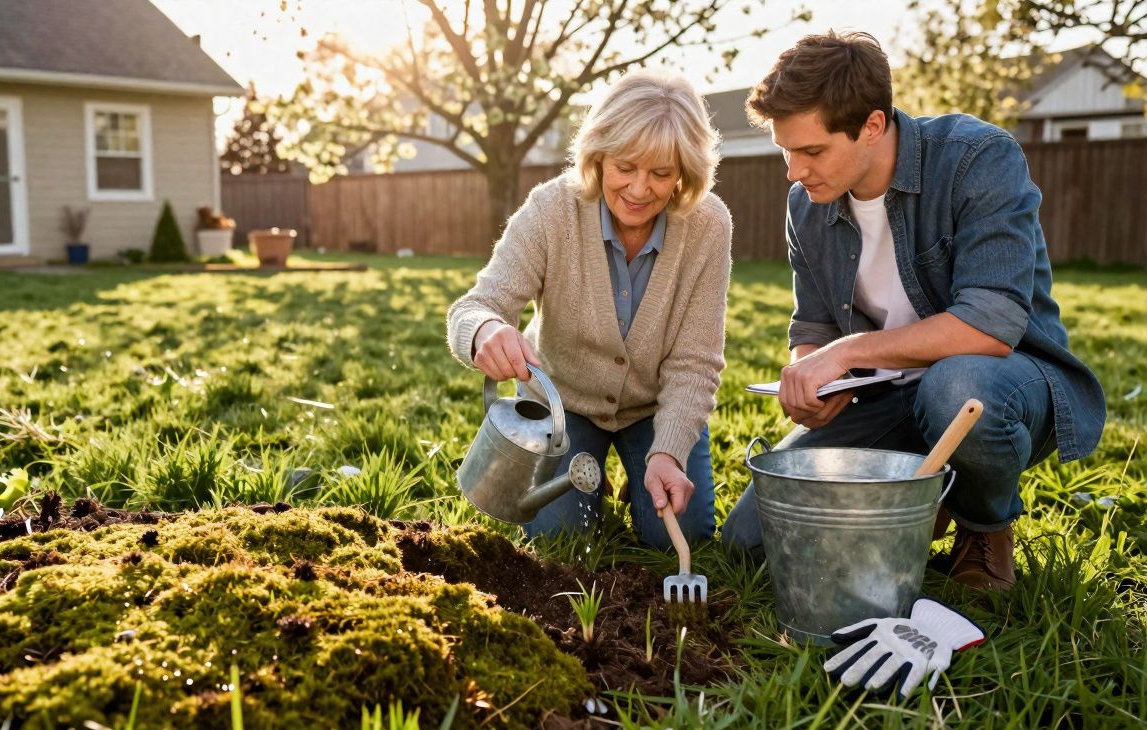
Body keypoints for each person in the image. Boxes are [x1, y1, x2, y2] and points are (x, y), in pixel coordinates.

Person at [720, 31, 1105, 590]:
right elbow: (815, 324)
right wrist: (817, 381)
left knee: (956, 388)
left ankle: (983, 525)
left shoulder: (978, 159)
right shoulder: (806, 204)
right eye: (786, 151)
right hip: (887, 397)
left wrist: (844, 353)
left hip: (1000, 385)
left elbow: (991, 323)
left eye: (811, 151)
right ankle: (925, 497)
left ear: (872, 126)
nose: (794, 171)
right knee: (754, 542)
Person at [446, 68, 733, 548]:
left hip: (654, 407)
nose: (640, 190)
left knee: (684, 535)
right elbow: (476, 306)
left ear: (684, 172)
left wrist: (668, 453)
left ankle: (638, 470)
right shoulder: (551, 209)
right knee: (562, 538)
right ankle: (591, 475)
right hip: (563, 405)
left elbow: (695, 363)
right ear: (598, 156)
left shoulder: (708, 225)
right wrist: (485, 332)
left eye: (661, 174)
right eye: (625, 167)